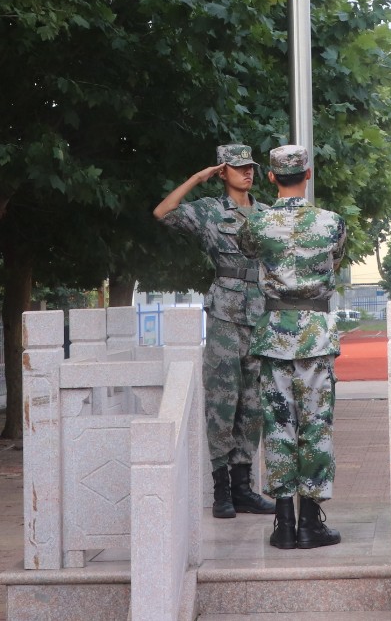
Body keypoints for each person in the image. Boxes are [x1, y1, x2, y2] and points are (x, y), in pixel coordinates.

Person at [153, 144, 275, 520]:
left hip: (262, 314)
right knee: (223, 402)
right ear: (223, 172)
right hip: (225, 312)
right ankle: (221, 490)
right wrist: (196, 179)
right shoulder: (209, 210)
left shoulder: (268, 214)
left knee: (253, 405)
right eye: (238, 168)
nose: (247, 173)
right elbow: (163, 212)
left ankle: (243, 488)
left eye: (250, 167)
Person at [238, 145, 348, 551]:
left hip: (274, 333)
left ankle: (283, 524)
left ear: (270, 177)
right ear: (308, 173)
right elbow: (334, 259)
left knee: (278, 427)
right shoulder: (330, 222)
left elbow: (249, 251)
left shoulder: (258, 224)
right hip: (316, 332)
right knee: (315, 427)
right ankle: (311, 524)